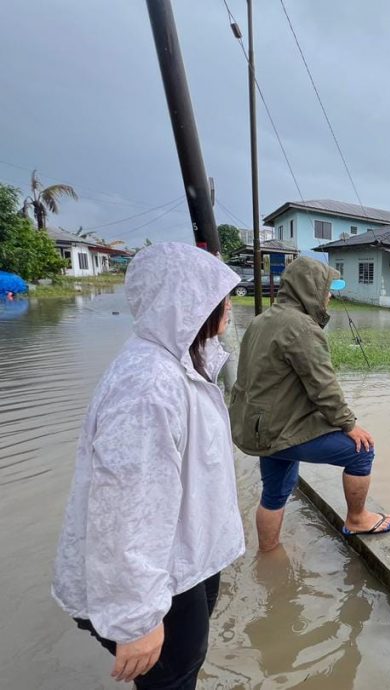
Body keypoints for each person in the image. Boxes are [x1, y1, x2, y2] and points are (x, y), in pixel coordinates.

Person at [52, 242, 245, 688]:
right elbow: (126, 508)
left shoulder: (183, 363)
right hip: (158, 576)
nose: (229, 305)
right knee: (174, 674)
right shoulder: (148, 385)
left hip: (184, 556)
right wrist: (136, 618)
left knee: (184, 664)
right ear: (187, 302)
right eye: (220, 296)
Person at [229, 256, 390, 552]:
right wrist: (349, 424)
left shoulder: (260, 321)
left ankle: (268, 554)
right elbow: (324, 387)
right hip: (280, 427)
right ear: (310, 288)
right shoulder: (302, 327)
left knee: (274, 494)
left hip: (258, 428)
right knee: (362, 451)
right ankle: (356, 519)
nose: (330, 295)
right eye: (327, 288)